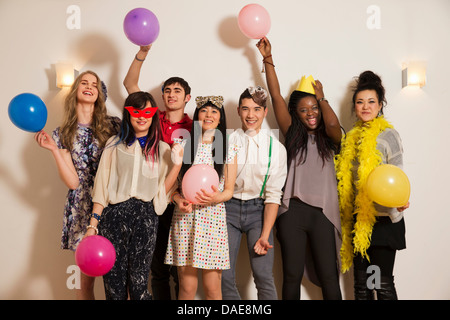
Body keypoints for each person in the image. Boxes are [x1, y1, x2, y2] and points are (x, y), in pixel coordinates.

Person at [257, 37, 343, 300]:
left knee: (329, 276)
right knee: (291, 275)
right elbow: (274, 96)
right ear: (296, 114)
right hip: (291, 211)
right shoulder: (293, 135)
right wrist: (267, 59)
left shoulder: (332, 138)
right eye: (304, 110)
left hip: (323, 213)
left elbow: (331, 125)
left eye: (314, 108)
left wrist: (322, 98)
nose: (310, 113)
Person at [84, 91, 183, 300]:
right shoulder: (113, 145)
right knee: (114, 286)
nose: (141, 116)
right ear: (128, 114)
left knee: (139, 287)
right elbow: (101, 187)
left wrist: (177, 164)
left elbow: (162, 191)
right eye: (136, 111)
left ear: (153, 114)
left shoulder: (163, 149)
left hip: (146, 218)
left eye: (147, 111)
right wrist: (92, 226)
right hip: (113, 218)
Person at [34, 71, 120, 300]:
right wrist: (54, 150)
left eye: (94, 84)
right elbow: (73, 181)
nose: (89, 87)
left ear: (100, 94)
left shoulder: (114, 126)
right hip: (81, 207)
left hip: (112, 202)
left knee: (120, 280)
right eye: (84, 83)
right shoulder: (62, 133)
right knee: (85, 283)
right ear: (76, 91)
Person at [123, 45, 192, 299]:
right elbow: (129, 83)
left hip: (183, 201)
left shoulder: (195, 125)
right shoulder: (151, 118)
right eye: (167, 90)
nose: (171, 94)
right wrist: (142, 52)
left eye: (177, 91)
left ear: (187, 97)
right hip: (153, 198)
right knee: (158, 267)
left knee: (182, 271)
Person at [335, 70, 409, 300]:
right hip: (359, 222)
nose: (365, 107)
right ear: (354, 106)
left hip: (384, 222)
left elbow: (398, 175)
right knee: (362, 286)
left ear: (380, 106)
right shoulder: (351, 138)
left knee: (381, 284)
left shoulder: (388, 136)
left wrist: (400, 199)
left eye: (371, 102)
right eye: (360, 102)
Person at [165, 96, 239, 300]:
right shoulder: (182, 144)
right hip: (185, 219)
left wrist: (214, 198)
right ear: (197, 115)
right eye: (204, 110)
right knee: (187, 288)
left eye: (214, 111)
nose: (209, 115)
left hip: (212, 220)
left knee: (213, 289)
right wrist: (178, 200)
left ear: (220, 118)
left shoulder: (227, 148)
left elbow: (229, 190)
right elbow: (171, 188)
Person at [222, 86, 287, 300]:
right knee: (223, 275)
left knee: (263, 275)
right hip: (227, 208)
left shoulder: (276, 148)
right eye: (246, 109)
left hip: (259, 211)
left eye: (257, 109)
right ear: (239, 111)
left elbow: (273, 196)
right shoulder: (227, 142)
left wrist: (265, 234)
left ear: (265, 112)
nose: (251, 115)